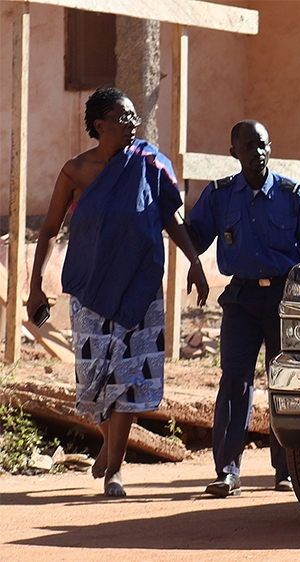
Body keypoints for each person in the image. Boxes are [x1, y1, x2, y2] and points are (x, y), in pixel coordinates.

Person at [26, 87, 209, 497]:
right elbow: (50, 229)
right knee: (95, 379)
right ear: (100, 124)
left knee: (127, 379)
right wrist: (36, 286)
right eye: (123, 118)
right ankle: (109, 446)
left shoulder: (149, 163)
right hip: (90, 290)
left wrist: (195, 261)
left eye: (133, 117)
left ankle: (114, 468)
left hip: (139, 288)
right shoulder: (75, 172)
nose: (132, 124)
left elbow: (170, 217)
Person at [187, 120, 300, 497]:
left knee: (285, 382)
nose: (258, 152)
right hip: (241, 299)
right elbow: (193, 238)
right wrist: (193, 263)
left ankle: (286, 469)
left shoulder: (292, 194)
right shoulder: (219, 196)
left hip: (284, 300)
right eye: (249, 146)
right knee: (235, 381)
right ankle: (227, 472)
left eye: (263, 144)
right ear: (234, 152)